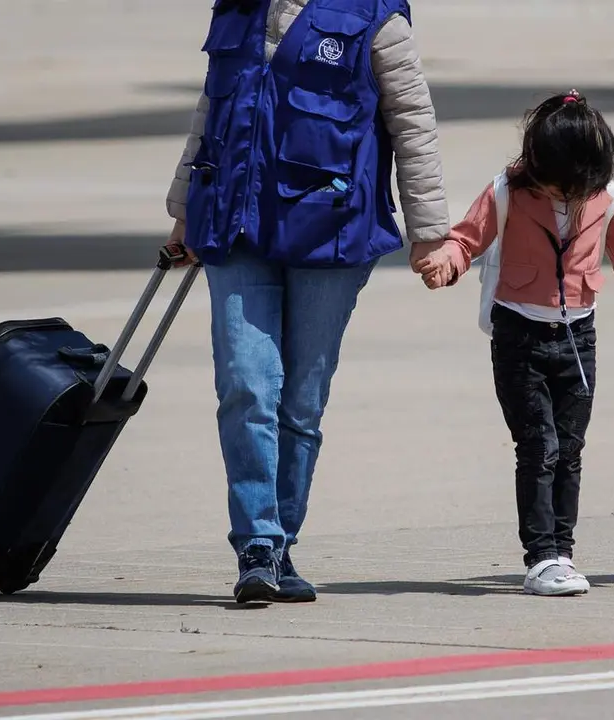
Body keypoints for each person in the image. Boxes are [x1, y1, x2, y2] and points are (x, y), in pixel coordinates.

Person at [164, 0, 451, 604]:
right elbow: (211, 110)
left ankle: (282, 540)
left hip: (331, 232)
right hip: (236, 227)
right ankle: (258, 544)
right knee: (246, 383)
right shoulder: (238, 11)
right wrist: (185, 209)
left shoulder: (377, 20)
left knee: (301, 399)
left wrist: (430, 232)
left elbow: (413, 123)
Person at [418, 91, 614, 596]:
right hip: (520, 335)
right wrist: (446, 262)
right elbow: (466, 239)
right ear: (536, 166)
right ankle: (540, 558)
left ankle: (562, 552)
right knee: (539, 445)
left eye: (580, 187)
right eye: (560, 186)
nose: (569, 197)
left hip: (579, 337)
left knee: (571, 449)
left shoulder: (607, 197)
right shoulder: (506, 192)